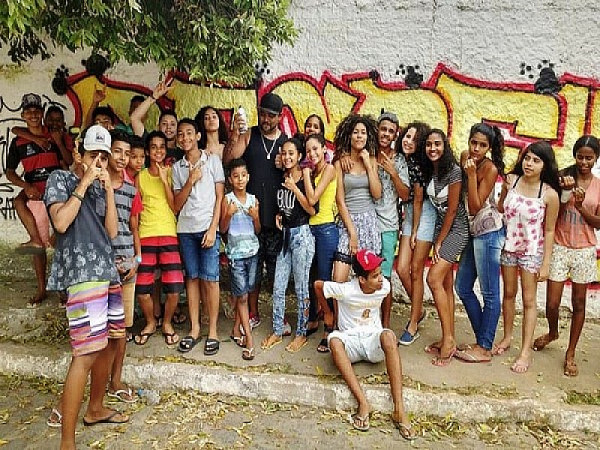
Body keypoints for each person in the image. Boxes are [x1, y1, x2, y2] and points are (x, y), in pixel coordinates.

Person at [45, 125, 128, 449]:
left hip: (107, 272)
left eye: (103, 156)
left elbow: (110, 232)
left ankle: (95, 408)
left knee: (108, 343)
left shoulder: (100, 185)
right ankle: (67, 442)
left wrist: (107, 189)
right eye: (94, 154)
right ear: (79, 151)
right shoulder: (61, 180)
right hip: (82, 277)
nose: (99, 161)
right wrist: (85, 181)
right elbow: (62, 222)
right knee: (85, 353)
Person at [313, 249, 416, 440]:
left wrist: (385, 323)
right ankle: (363, 402)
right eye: (375, 275)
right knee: (333, 341)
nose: (380, 279)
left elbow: (388, 293)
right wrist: (328, 313)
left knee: (389, 337)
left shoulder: (383, 286)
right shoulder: (346, 289)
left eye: (380, 273)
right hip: (350, 342)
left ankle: (399, 409)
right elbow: (318, 286)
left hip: (372, 342)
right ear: (362, 279)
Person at [532, 135, 600, 376]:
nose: (584, 162)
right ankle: (553, 332)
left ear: (596, 159)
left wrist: (581, 206)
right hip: (560, 245)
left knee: (579, 303)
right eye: (580, 157)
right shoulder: (562, 178)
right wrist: (565, 193)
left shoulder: (598, 186)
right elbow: (550, 212)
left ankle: (570, 352)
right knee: (552, 303)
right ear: (575, 156)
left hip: (584, 249)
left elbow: (599, 224)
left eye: (589, 158)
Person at [223, 93, 287, 329]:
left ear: (280, 117)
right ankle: (252, 313)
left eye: (271, 115)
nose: (265, 119)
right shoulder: (250, 134)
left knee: (276, 272)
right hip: (249, 218)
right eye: (262, 113)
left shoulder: (285, 143)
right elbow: (230, 158)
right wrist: (236, 133)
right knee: (252, 271)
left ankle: (279, 315)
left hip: (276, 217)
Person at [496, 141, 560, 373]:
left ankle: (525, 352)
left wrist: (546, 264)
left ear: (545, 165)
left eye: (536, 160)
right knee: (509, 294)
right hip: (509, 247)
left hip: (531, 252)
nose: (529, 164)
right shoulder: (512, 181)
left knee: (529, 301)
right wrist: (504, 192)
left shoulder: (549, 194)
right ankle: (507, 337)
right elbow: (501, 208)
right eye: (527, 158)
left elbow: (550, 230)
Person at [172, 119, 225, 355]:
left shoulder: (213, 161)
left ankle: (212, 331)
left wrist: (214, 228)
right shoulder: (177, 168)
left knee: (211, 279)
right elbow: (176, 204)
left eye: (189, 133)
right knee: (191, 279)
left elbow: (220, 198)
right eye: (181, 135)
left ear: (198, 136)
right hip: (186, 229)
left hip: (207, 227)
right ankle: (194, 329)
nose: (185, 138)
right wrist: (190, 181)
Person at [454, 123, 506, 363]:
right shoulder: (466, 157)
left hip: (489, 233)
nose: (476, 149)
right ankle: (481, 339)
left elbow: (475, 206)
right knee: (462, 286)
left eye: (482, 145)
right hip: (473, 233)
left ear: (490, 147)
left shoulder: (490, 169)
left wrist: (473, 175)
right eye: (473, 142)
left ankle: (484, 347)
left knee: (490, 294)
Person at [6, 94, 64, 306]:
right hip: (34, 197)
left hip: (56, 196)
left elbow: (66, 160)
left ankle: (62, 289)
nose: (32, 114)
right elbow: (10, 172)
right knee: (37, 249)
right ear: (22, 115)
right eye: (28, 111)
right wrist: (26, 186)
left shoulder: (54, 135)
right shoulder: (18, 142)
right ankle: (41, 288)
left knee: (61, 245)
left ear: (42, 114)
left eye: (36, 111)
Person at [261, 137, 316, 352]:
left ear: (299, 156)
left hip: (302, 236)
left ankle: (301, 334)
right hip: (285, 234)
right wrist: (278, 215)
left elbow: (311, 209)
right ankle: (277, 329)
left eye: (291, 153)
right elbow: (286, 206)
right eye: (284, 153)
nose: (287, 157)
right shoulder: (283, 177)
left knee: (302, 288)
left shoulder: (304, 176)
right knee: (278, 285)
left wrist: (295, 188)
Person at [421, 129, 469, 366]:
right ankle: (447, 336)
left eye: (437, 144)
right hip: (441, 227)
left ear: (445, 145)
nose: (433, 149)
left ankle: (449, 340)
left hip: (456, 229)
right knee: (445, 284)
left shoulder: (454, 171)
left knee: (433, 279)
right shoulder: (433, 169)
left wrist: (439, 241)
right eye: (429, 144)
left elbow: (452, 209)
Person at [134, 131, 185, 346]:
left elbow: (175, 206)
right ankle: (150, 322)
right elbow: (135, 212)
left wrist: (165, 180)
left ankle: (166, 323)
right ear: (147, 151)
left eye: (161, 147)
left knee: (174, 288)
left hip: (168, 234)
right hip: (145, 235)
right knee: (143, 289)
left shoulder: (173, 173)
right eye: (153, 147)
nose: (157, 151)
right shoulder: (140, 177)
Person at [106, 130, 142, 401]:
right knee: (100, 330)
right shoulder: (95, 185)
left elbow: (133, 227)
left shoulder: (131, 189)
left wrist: (136, 260)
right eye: (117, 151)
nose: (122, 157)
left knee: (122, 330)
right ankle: (97, 381)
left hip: (127, 265)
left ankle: (115, 381)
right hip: (102, 268)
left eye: (126, 153)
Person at [395, 122, 435, 345]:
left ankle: (413, 323)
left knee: (416, 270)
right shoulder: (404, 160)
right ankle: (418, 310)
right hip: (410, 214)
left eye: (414, 139)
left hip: (424, 215)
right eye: (407, 136)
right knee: (402, 268)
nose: (408, 141)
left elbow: (418, 199)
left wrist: (415, 230)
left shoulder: (419, 164)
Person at [332, 114, 382, 283]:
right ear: (349, 136)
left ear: (368, 137)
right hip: (348, 221)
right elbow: (340, 201)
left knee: (368, 278)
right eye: (356, 132)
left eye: (363, 132)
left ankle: (368, 311)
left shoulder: (373, 160)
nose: (359, 136)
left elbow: (377, 194)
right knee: (339, 279)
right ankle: (337, 311)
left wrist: (368, 164)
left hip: (369, 221)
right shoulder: (340, 164)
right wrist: (352, 232)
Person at [220, 158, 260, 360]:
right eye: (235, 176)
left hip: (252, 252)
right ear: (230, 179)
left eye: (243, 175)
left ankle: (236, 328)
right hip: (236, 254)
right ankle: (249, 339)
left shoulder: (253, 200)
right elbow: (223, 229)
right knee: (243, 296)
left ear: (248, 177)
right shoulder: (227, 200)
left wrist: (255, 216)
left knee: (246, 290)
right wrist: (227, 214)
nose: (240, 179)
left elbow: (258, 229)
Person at [302, 133, 339, 352]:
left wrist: (306, 173)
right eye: (308, 151)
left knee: (324, 280)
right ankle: (315, 318)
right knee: (311, 277)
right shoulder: (314, 171)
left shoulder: (329, 169)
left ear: (324, 149)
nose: (312, 154)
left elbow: (313, 199)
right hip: (310, 229)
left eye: (316, 149)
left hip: (326, 230)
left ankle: (329, 324)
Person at [373, 112, 409, 328]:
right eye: (383, 129)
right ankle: (369, 321)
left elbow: (405, 195)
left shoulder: (400, 160)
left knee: (384, 278)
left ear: (395, 134)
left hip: (388, 226)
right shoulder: (367, 154)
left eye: (390, 131)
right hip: (367, 223)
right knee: (366, 275)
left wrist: (393, 173)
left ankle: (385, 325)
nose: (386, 134)